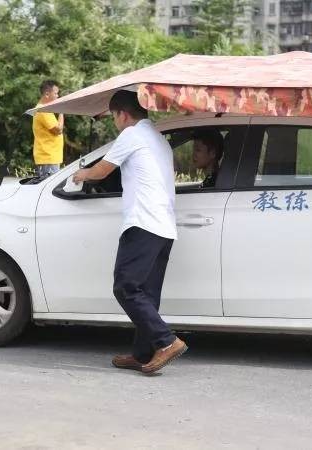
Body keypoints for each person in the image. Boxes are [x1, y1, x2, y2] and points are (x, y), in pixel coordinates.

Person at [72, 90, 187, 374]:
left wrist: (81, 174)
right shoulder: (158, 138)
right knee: (147, 293)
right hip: (164, 226)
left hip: (143, 223)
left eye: (113, 117)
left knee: (125, 287)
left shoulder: (132, 135)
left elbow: (102, 171)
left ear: (122, 114)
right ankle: (143, 354)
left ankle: (167, 341)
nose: (115, 123)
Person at [32, 80, 64, 177]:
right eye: (56, 93)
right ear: (47, 94)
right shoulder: (43, 111)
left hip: (50, 157)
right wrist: (61, 112)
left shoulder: (45, 110)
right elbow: (58, 130)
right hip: (48, 157)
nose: (58, 96)